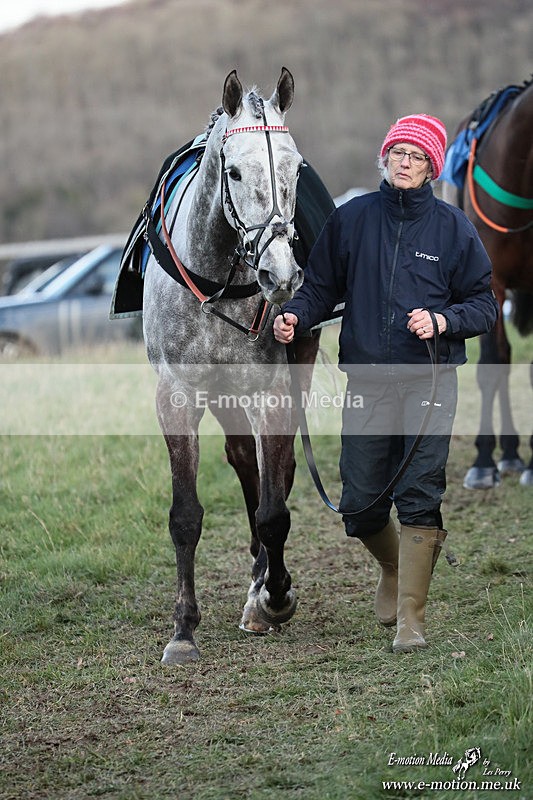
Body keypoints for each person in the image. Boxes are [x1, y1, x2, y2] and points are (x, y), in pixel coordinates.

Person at [274, 114, 498, 653]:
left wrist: (444, 321)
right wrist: (296, 317)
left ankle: (411, 620)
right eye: (398, 151)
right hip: (369, 380)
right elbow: (319, 287)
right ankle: (394, 567)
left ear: (431, 168)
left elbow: (484, 304)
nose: (405, 161)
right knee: (360, 504)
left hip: (430, 380)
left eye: (417, 156)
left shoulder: (453, 228)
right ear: (385, 156)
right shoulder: (352, 219)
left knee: (420, 494)